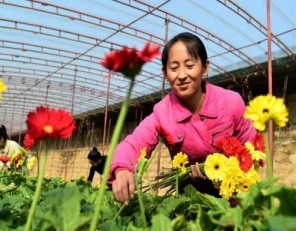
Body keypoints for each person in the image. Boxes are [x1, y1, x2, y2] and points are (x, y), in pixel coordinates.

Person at [109, 32, 256, 205]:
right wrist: (122, 169)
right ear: (165, 73)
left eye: (189, 65)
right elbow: (135, 142)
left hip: (233, 198)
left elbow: (251, 149)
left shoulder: (231, 103)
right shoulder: (162, 113)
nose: (182, 75)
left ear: (205, 67)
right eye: (173, 68)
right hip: (188, 201)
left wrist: (224, 176)